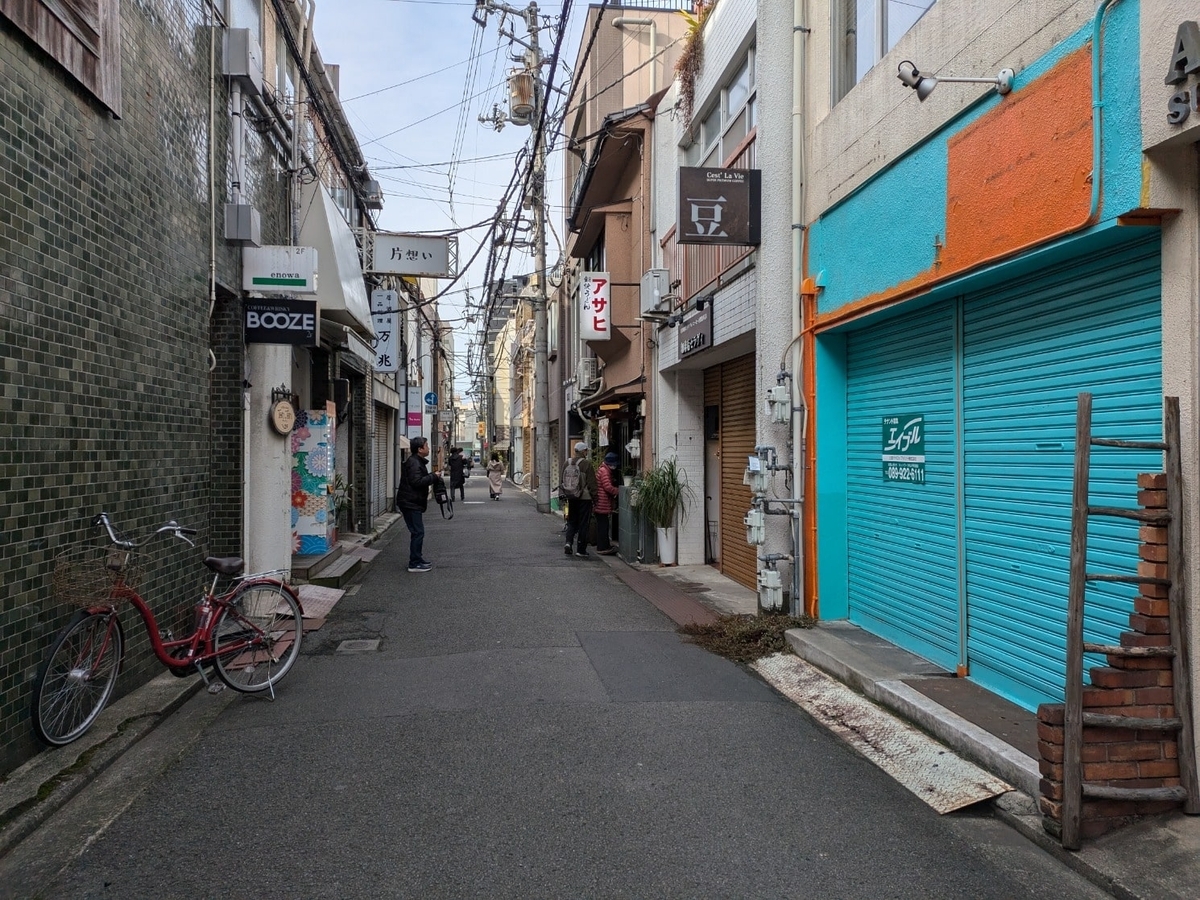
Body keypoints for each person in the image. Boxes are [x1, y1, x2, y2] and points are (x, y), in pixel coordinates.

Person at [395, 436, 442, 572]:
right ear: (420, 449)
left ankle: (417, 559)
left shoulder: (416, 461)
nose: (428, 448)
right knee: (418, 532)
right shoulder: (414, 463)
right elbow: (417, 482)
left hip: (411, 501)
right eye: (426, 445)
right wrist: (434, 476)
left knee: (417, 532)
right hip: (410, 502)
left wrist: (432, 476)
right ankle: (414, 563)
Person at [562, 441, 597, 558]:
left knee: (571, 521)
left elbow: (562, 480)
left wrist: (565, 493)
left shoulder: (567, 462)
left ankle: (568, 543)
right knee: (583, 523)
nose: (587, 453)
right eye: (586, 451)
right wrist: (595, 498)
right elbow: (592, 483)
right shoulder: (586, 464)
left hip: (571, 497)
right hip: (584, 498)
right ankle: (581, 550)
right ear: (583, 451)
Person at [593, 451, 620, 555]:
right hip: (602, 502)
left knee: (602, 526)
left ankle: (604, 546)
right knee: (603, 526)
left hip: (600, 502)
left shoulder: (603, 469)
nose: (615, 467)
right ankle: (603, 547)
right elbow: (607, 486)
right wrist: (617, 491)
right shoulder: (605, 471)